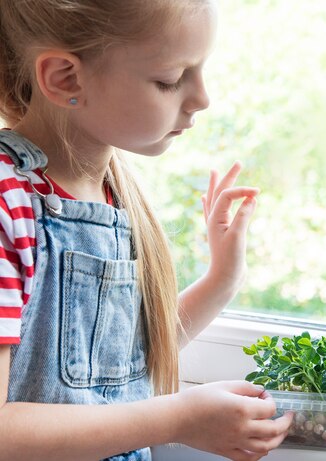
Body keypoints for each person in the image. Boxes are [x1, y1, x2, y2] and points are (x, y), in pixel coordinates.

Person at [0, 0, 293, 460]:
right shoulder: (8, 205)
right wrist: (179, 417)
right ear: (65, 79)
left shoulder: (113, 190)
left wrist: (223, 277)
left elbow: (114, 365)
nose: (202, 99)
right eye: (171, 80)